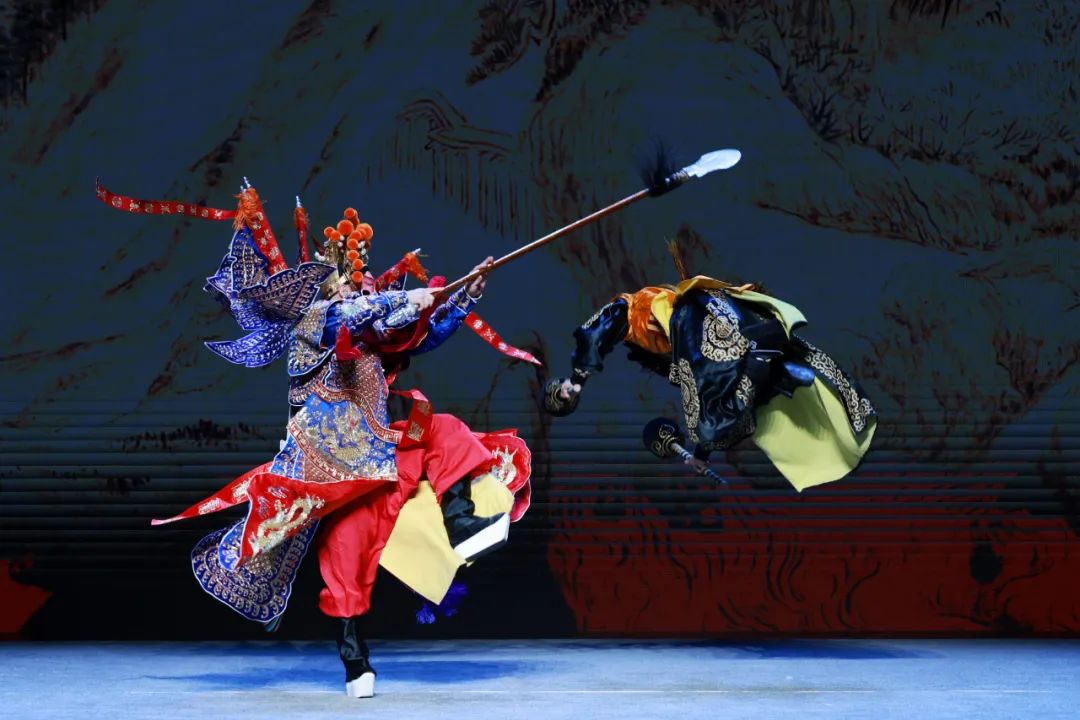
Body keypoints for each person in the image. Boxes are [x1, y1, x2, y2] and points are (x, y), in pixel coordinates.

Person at [101, 184, 533, 698]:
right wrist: (405, 298)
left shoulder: (368, 334)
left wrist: (464, 297)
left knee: (446, 431)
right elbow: (358, 316)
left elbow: (416, 332)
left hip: (377, 452)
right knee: (346, 554)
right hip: (330, 465)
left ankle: (464, 522)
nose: (355, 294)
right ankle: (354, 659)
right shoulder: (316, 324)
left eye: (357, 288)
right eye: (346, 288)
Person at [544, 243, 876, 491]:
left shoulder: (632, 308)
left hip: (694, 323)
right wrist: (701, 457)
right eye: (565, 400)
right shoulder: (663, 353)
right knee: (718, 413)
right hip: (713, 313)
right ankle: (763, 363)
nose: (567, 396)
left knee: (708, 424)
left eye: (561, 395)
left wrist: (577, 379)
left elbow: (595, 330)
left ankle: (757, 361)